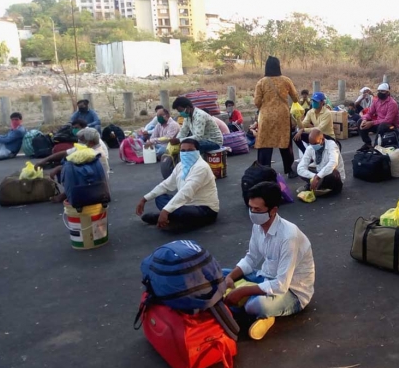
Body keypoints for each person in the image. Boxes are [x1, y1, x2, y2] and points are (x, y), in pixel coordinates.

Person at [223, 182, 315, 340]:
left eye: (257, 209)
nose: (252, 212)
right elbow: (251, 258)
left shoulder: (289, 237)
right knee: (221, 274)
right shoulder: (258, 225)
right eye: (250, 208)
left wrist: (243, 291)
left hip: (292, 292)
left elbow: (281, 284)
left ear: (273, 210)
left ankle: (264, 313)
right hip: (266, 277)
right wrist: (231, 277)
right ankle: (255, 311)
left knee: (255, 305)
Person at [137, 138, 219, 230]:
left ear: (198, 151)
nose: (186, 153)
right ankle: (174, 219)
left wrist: (165, 210)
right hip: (185, 205)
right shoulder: (180, 166)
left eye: (190, 150)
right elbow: (166, 184)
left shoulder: (201, 167)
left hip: (204, 209)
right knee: (160, 198)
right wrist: (144, 199)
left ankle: (171, 219)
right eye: (183, 151)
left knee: (179, 211)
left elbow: (186, 191)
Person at [254, 56, 299, 179]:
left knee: (265, 143)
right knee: (285, 142)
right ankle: (289, 170)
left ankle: (264, 171)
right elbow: (295, 97)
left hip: (266, 116)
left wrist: (265, 105)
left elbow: (257, 101)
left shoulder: (261, 82)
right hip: (282, 116)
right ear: (278, 66)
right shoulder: (286, 80)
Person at [296, 129, 345, 196]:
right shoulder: (310, 148)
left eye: (315, 143)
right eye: (311, 143)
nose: (313, 146)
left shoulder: (332, 145)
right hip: (319, 174)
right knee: (296, 166)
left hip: (333, 178)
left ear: (322, 140)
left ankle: (319, 187)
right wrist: (314, 177)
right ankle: (318, 187)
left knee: (333, 173)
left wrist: (318, 177)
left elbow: (333, 163)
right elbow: (301, 167)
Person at [359, 83, 399, 150]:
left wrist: (372, 123)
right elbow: (370, 113)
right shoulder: (376, 101)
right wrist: (364, 120)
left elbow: (388, 120)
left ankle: (376, 147)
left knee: (383, 125)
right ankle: (368, 144)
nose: (380, 93)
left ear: (387, 92)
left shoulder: (392, 103)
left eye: (382, 91)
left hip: (391, 126)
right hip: (379, 123)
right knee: (360, 121)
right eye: (379, 91)